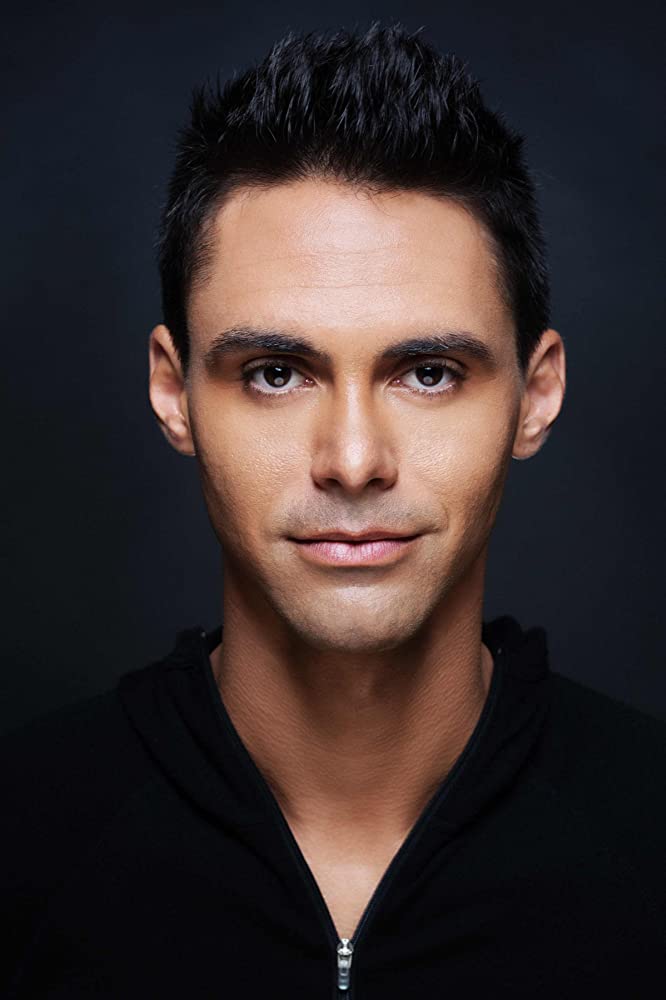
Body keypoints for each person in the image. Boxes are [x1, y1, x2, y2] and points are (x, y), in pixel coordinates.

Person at [2, 23, 664, 1000]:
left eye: (428, 372)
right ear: (173, 393)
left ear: (536, 394)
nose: (353, 461)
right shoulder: (22, 839)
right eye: (275, 372)